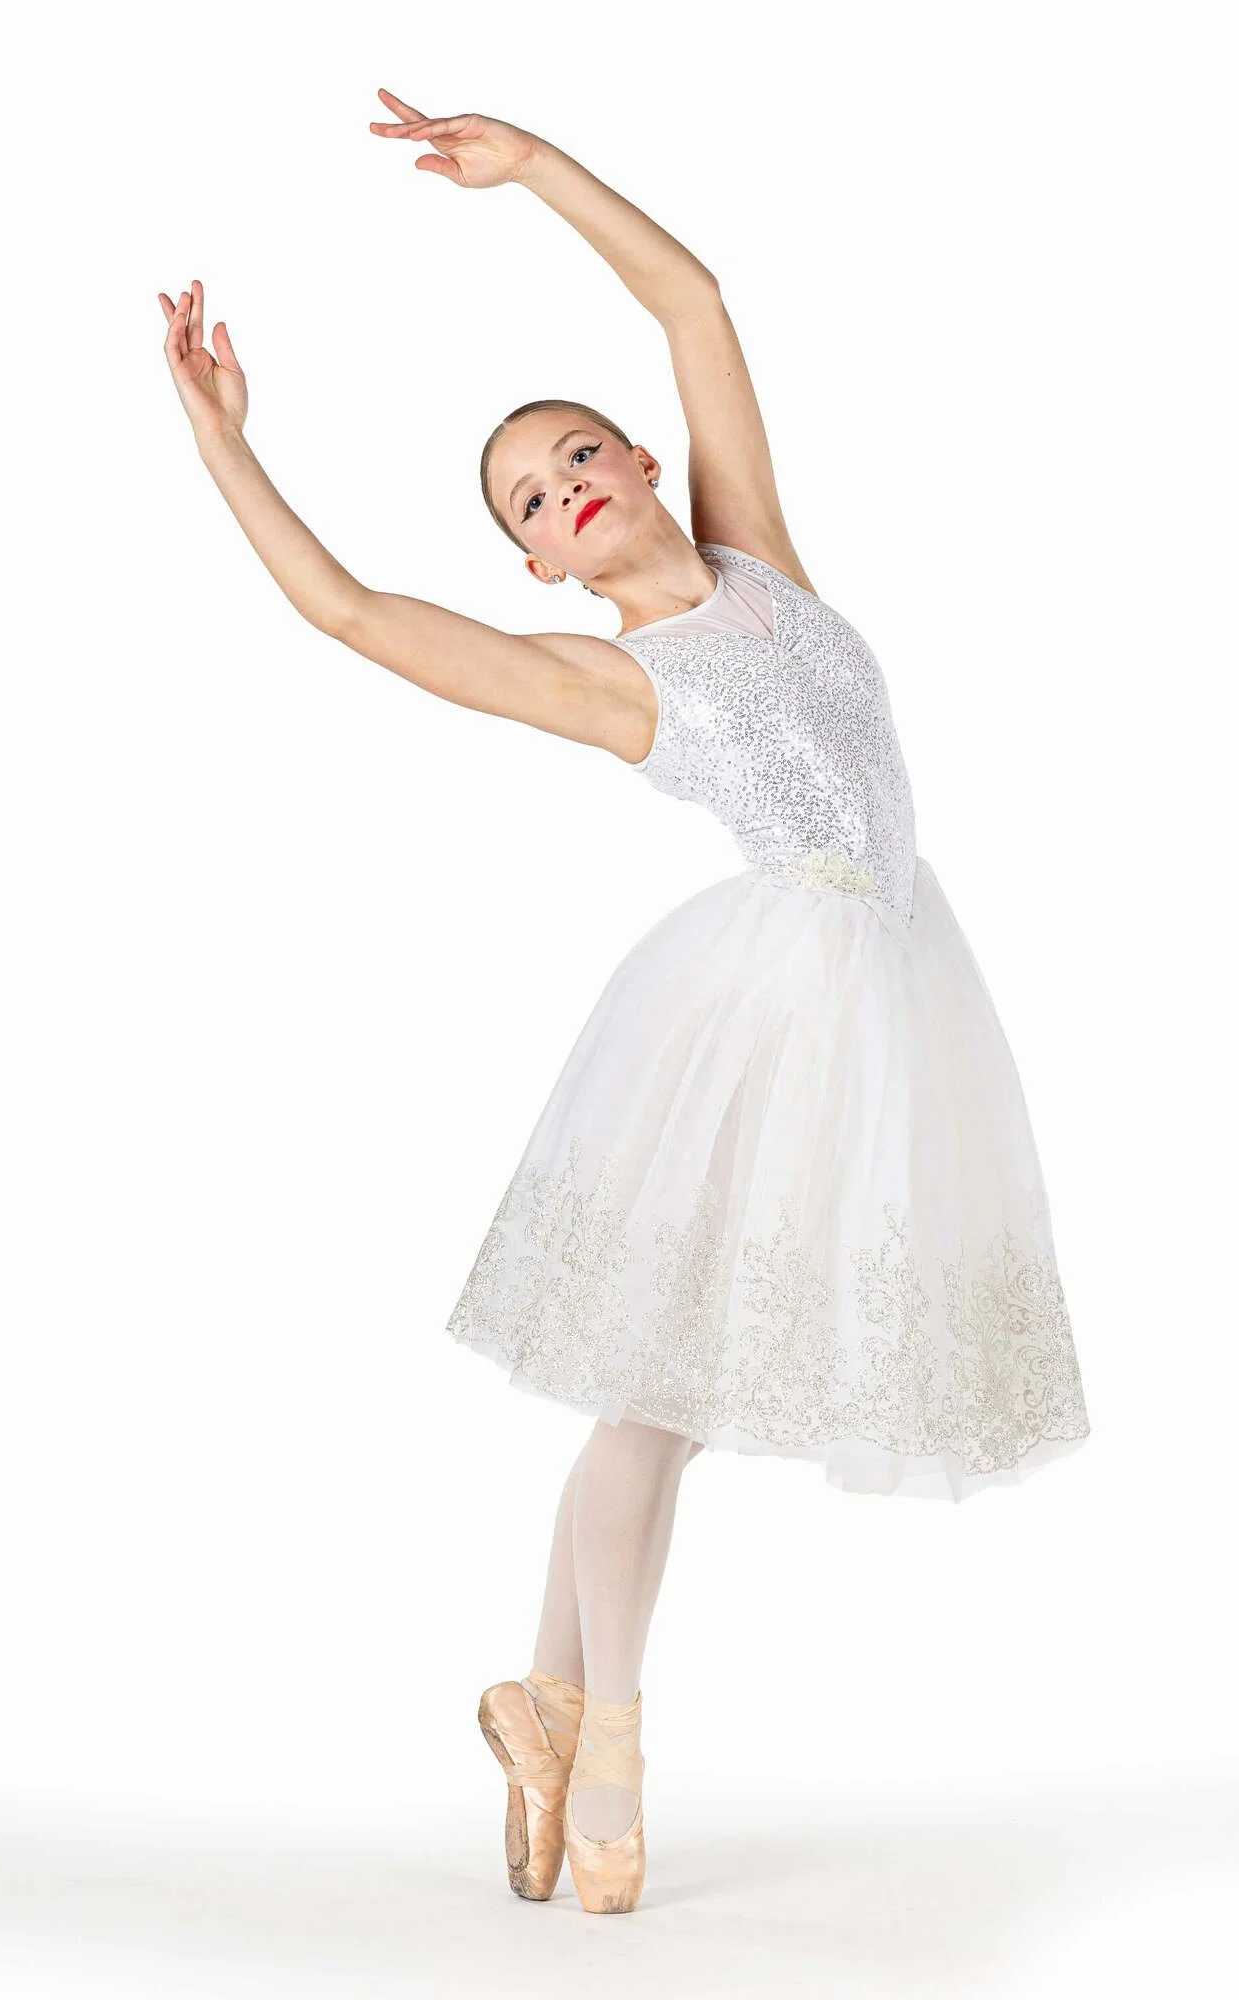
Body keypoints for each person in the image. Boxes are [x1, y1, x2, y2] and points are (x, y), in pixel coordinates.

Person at [159, 88, 1091, 1917]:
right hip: (764, 1022)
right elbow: (352, 616)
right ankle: (610, 1742)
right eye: (531, 498)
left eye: (578, 449)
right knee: (650, 1403)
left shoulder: (759, 557)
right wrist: (222, 446)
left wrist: (535, 175)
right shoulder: (618, 681)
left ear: (643, 470)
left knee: (665, 1401)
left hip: (894, 999)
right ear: (543, 565)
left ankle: (544, 1699)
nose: (566, 480)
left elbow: (697, 309)